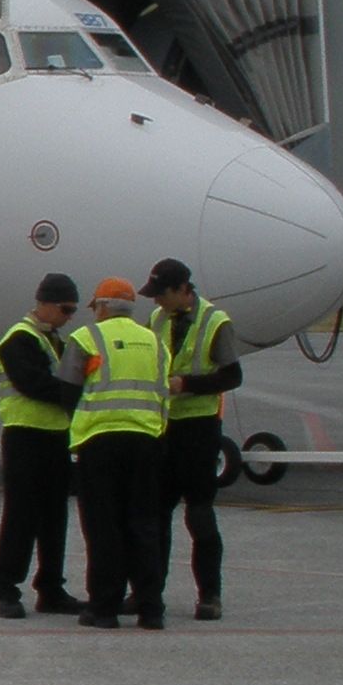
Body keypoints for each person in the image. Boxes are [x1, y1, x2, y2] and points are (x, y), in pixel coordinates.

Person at [58, 276, 170, 628]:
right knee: (145, 524)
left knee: (103, 526)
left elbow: (67, 390)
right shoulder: (154, 341)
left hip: (100, 441)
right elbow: (164, 389)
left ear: (103, 307)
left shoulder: (87, 338)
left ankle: (104, 607)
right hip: (146, 439)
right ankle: (150, 608)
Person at [144, 258, 239, 620]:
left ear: (184, 290)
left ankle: (210, 594)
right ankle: (151, 592)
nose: (156, 302)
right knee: (156, 515)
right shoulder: (157, 320)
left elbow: (232, 376)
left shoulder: (216, 322)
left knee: (199, 515)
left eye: (162, 295)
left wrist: (188, 385)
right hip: (165, 425)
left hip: (199, 428)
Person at [0, 273, 82, 617]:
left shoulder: (56, 340)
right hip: (24, 434)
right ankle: (5, 588)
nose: (69, 316)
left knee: (54, 516)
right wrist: (76, 395)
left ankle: (51, 588)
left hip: (56, 435)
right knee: (21, 515)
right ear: (44, 303)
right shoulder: (18, 340)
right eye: (65, 308)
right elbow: (33, 384)